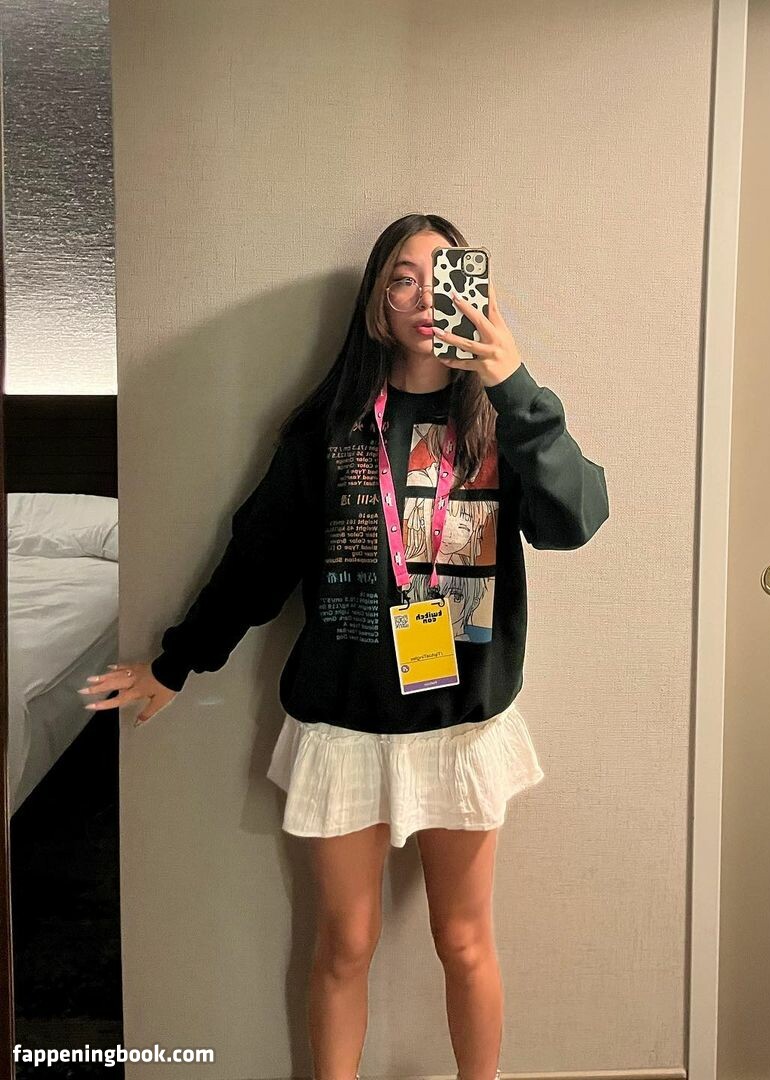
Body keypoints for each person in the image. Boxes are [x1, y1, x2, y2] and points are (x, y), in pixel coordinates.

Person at [79, 213, 610, 1080]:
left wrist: (513, 383)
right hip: (344, 725)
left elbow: (575, 521)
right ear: (376, 303)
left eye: (446, 277)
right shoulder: (331, 430)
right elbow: (257, 559)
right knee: (344, 944)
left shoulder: (502, 424)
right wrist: (176, 663)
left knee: (465, 941)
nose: (426, 296)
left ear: (475, 293)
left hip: (462, 724)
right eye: (404, 278)